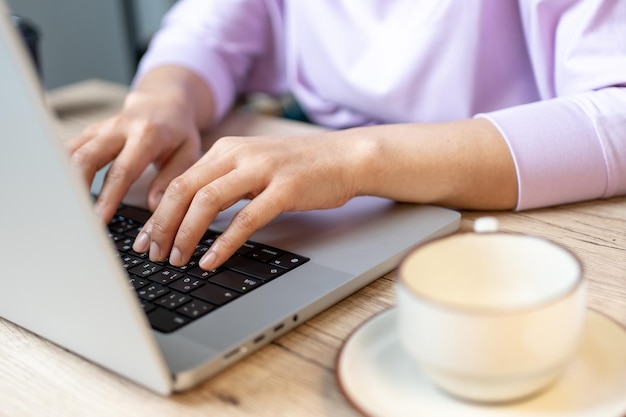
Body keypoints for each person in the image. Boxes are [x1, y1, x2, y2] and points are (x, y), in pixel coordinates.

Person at [66, 0, 626, 272]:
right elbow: (205, 28)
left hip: (515, 217)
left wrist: (355, 156)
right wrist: (164, 100)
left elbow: (617, 117)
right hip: (319, 188)